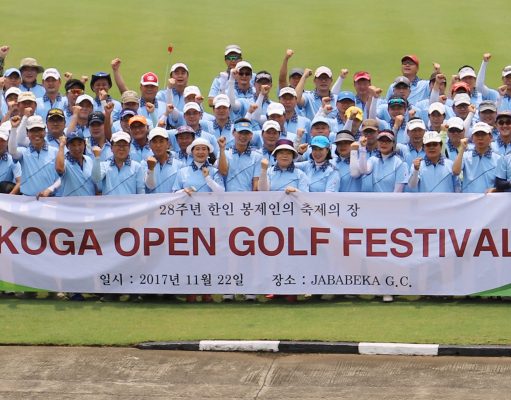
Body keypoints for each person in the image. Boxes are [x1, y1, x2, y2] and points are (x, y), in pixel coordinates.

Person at [8, 115, 60, 197]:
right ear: (27, 133)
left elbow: (62, 177)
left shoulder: (55, 152)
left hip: (50, 199)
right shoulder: (23, 153)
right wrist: (14, 128)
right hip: (26, 200)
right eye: (32, 130)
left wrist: (50, 189)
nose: (36, 134)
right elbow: (12, 151)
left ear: (45, 131)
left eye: (39, 130)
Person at [91, 131, 145, 195]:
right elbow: (96, 178)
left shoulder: (137, 167)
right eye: (118, 145)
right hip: (109, 202)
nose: (121, 148)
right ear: (111, 148)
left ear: (129, 148)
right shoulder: (104, 165)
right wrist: (97, 158)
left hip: (130, 202)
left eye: (124, 145)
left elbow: (141, 191)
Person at [452, 121, 500, 193]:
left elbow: (502, 183)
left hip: (490, 198)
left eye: (483, 134)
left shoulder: (498, 159)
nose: (480, 138)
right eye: (477, 135)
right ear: (472, 138)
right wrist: (462, 149)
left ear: (490, 137)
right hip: (469, 199)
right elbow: (455, 171)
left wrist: (495, 190)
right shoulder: (465, 156)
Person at [217, 119, 262, 191]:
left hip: (248, 197)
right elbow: (223, 172)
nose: (243, 136)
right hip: (228, 197)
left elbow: (256, 183)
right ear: (233, 133)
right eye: (240, 132)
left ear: (251, 135)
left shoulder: (257, 156)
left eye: (246, 133)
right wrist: (222, 149)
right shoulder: (224, 153)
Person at [55, 130, 96, 196]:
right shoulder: (65, 162)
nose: (77, 148)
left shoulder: (89, 159)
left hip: (90, 201)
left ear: (84, 144)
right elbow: (59, 169)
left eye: (79, 144)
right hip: (70, 202)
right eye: (73, 145)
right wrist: (61, 145)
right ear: (67, 146)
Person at [144, 127, 182, 193]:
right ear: (149, 145)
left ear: (168, 144)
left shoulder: (179, 165)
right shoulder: (144, 164)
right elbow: (149, 186)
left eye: (161, 141)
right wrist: (150, 169)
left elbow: (178, 190)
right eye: (154, 142)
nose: (158, 145)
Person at [0, 125, 21, 194]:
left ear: (7, 142)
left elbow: (19, 182)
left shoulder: (13, 160)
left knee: (4, 186)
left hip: (3, 195)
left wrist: (9, 197)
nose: (0, 143)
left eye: (2, 141)